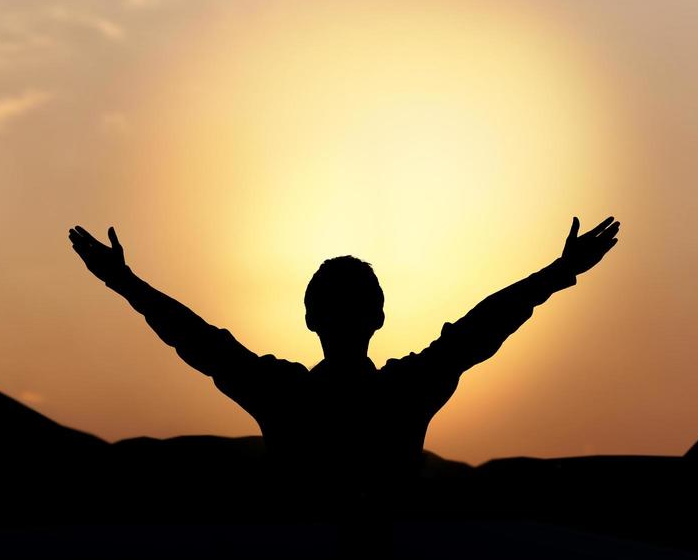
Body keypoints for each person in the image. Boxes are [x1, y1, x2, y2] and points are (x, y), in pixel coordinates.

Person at [66, 215, 620, 507]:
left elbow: (199, 341)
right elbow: (482, 328)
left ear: (310, 320)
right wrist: (558, 272)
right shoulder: (407, 389)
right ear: (379, 318)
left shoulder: (283, 394)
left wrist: (125, 283)